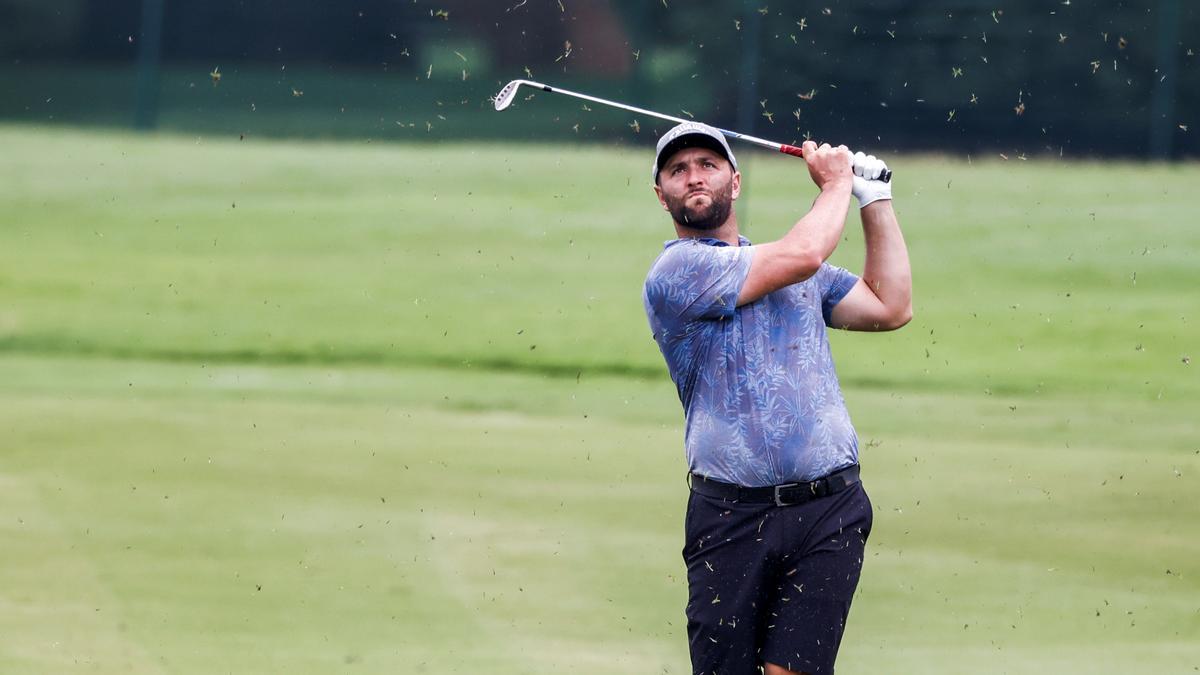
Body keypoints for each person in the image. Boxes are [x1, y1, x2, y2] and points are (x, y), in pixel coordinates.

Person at [642, 122, 912, 675]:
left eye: (707, 165)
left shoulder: (793, 269)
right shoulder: (676, 273)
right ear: (661, 194)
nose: (694, 176)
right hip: (730, 516)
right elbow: (804, 253)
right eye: (678, 170)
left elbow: (890, 307)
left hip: (828, 508)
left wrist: (874, 199)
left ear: (734, 182)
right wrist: (835, 184)